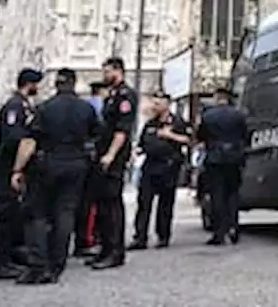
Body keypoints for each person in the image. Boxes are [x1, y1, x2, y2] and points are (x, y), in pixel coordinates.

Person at [10, 68, 100, 285]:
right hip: (76, 164)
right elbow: (97, 135)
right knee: (65, 214)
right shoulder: (86, 108)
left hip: (48, 164)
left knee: (38, 215)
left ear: (57, 84)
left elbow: (29, 141)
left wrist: (17, 169)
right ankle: (56, 266)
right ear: (74, 83)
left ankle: (38, 264)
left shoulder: (45, 108)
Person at [0, 67, 42, 280]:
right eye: (36, 84)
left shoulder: (23, 105)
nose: (38, 88)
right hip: (5, 167)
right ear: (29, 84)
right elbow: (13, 137)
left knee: (9, 216)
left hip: (11, 167)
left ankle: (5, 259)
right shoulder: (14, 106)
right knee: (1, 217)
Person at [87, 57, 138, 269]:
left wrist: (110, 154)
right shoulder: (112, 96)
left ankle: (115, 251)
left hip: (114, 158)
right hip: (104, 155)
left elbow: (122, 130)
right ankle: (106, 248)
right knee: (103, 205)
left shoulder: (126, 96)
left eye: (107, 72)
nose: (105, 76)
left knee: (112, 204)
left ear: (118, 71)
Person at [129, 91, 191, 250]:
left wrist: (170, 135)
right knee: (144, 203)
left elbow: (188, 140)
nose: (154, 106)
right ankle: (140, 237)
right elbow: (143, 143)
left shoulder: (177, 122)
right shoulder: (150, 123)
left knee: (165, 204)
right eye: (153, 103)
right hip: (150, 166)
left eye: (158, 103)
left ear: (166, 104)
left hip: (168, 167)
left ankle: (163, 236)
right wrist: (137, 152)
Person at [195, 87, 247, 246]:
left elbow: (201, 136)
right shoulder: (239, 115)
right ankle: (234, 227)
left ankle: (219, 232)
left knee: (217, 195)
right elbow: (245, 134)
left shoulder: (208, 116)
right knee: (233, 194)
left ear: (216, 98)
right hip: (234, 157)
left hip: (215, 158)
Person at [73, 81, 107, 258]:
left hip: (75, 158)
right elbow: (99, 131)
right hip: (90, 160)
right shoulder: (96, 107)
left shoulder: (85, 105)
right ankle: (87, 239)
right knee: (90, 203)